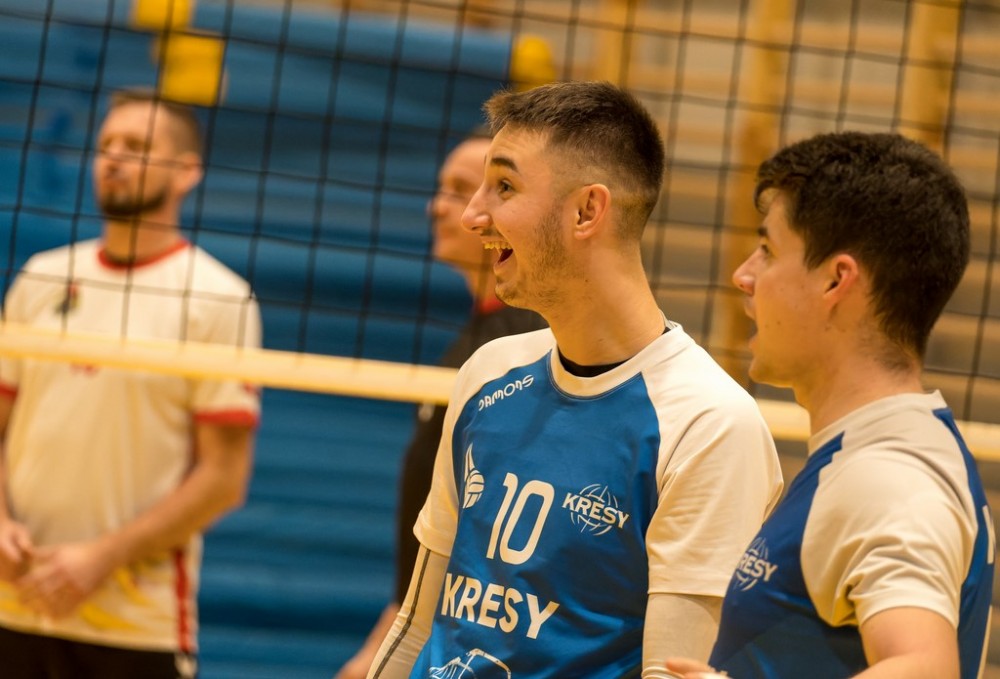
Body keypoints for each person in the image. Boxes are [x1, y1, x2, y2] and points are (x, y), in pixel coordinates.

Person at [368, 80, 783, 678]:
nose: (473, 215)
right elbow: (417, 627)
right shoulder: (488, 373)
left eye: (503, 187)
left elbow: (673, 670)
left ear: (587, 210)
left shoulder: (708, 424)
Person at [666, 131, 994, 679]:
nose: (743, 275)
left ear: (836, 280)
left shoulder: (888, 478)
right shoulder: (883, 450)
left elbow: (925, 668)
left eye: (768, 251)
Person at [0, 89, 261, 678]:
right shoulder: (41, 278)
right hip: (12, 609)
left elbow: (224, 479)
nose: (114, 158)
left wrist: (100, 559)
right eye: (106, 145)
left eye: (136, 146)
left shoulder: (218, 297)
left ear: (186, 171)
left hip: (135, 627)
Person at [334, 131, 545, 679]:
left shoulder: (526, 344)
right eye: (443, 189)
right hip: (429, 623)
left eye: (460, 189)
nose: (439, 207)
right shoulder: (476, 339)